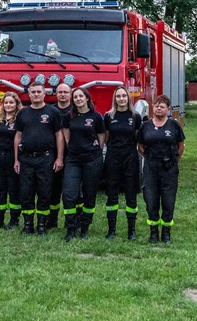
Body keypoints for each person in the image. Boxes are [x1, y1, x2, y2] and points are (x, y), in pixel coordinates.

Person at [14, 81, 64, 236]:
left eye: (38, 92)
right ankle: (28, 224)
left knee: (44, 191)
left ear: (44, 94)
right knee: (26, 192)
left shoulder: (53, 112)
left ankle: (42, 224)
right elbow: (18, 136)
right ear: (29, 94)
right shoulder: (23, 112)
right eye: (33, 92)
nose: (36, 94)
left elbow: (59, 136)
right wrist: (16, 159)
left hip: (46, 158)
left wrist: (59, 158)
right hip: (26, 158)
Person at [138, 95, 185, 243]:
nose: (159, 108)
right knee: (151, 200)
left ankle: (166, 232)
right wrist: (150, 158)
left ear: (168, 109)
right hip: (151, 168)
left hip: (169, 168)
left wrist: (173, 161)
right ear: (153, 107)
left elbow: (181, 146)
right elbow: (140, 146)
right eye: (157, 105)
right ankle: (153, 232)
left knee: (168, 200)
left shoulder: (174, 126)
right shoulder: (145, 126)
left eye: (162, 106)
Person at [61, 87, 105, 241]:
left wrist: (92, 151)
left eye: (81, 96)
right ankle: (70, 228)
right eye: (75, 97)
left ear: (87, 98)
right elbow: (67, 137)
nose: (78, 99)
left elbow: (101, 138)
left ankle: (84, 228)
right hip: (73, 159)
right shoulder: (69, 116)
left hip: (92, 159)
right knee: (69, 194)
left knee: (89, 195)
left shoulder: (96, 117)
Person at [103, 86, 142, 240]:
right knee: (111, 193)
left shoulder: (136, 116)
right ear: (115, 99)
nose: (121, 99)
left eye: (123, 96)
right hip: (113, 156)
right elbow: (106, 137)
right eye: (118, 96)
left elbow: (138, 137)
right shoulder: (109, 116)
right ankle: (111, 230)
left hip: (130, 156)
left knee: (131, 194)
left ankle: (131, 231)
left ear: (128, 98)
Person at [0, 92, 22, 230]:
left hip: (12, 156)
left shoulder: (20, 119)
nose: (8, 105)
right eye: (6, 102)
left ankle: (14, 220)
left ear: (16, 104)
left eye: (11, 102)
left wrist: (17, 159)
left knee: (14, 188)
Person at [48, 82, 73, 230]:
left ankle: (72, 221)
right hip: (53, 155)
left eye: (65, 92)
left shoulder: (75, 110)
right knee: (53, 189)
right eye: (60, 92)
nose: (62, 94)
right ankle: (52, 221)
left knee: (71, 190)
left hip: (72, 156)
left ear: (70, 94)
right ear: (56, 94)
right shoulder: (51, 111)